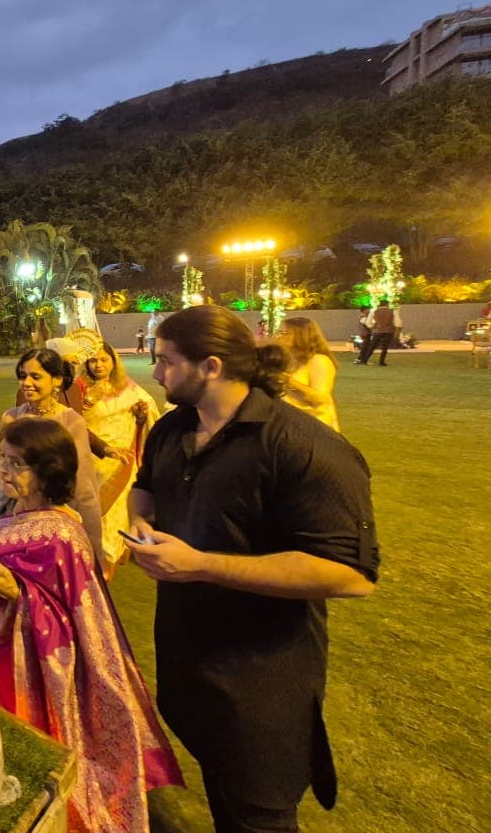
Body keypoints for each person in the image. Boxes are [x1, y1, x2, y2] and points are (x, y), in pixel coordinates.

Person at [128, 305, 379, 833]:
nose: (155, 373)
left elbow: (349, 575)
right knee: (222, 792)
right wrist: (143, 523)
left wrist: (201, 566)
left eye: (166, 361)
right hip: (190, 665)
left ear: (212, 366)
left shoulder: (304, 447)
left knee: (257, 814)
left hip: (260, 683)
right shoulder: (173, 428)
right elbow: (146, 485)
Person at [0, 417, 182, 832]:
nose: (4, 470)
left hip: (38, 668)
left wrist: (18, 593)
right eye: (3, 459)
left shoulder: (62, 535)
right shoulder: (9, 509)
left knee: (31, 741)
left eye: (17, 464)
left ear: (48, 470)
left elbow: (79, 620)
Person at [0, 349, 103, 558]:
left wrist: (93, 545)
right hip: (15, 512)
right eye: (22, 375)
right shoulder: (11, 419)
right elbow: (4, 471)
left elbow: (82, 484)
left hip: (55, 521)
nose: (26, 382)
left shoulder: (70, 422)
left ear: (56, 379)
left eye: (35, 376)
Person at [78, 341, 160, 576]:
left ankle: (107, 564)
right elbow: (72, 422)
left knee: (114, 518)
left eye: (104, 359)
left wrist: (142, 417)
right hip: (90, 463)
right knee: (91, 515)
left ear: (114, 361)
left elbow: (150, 417)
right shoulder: (79, 388)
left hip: (120, 464)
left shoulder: (128, 388)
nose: (98, 365)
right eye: (93, 360)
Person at [276, 317, 340, 431]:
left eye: (285, 333)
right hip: (290, 424)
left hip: (314, 427)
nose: (278, 336)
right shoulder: (289, 359)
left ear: (301, 336)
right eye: (278, 332)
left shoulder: (319, 360)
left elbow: (321, 399)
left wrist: (290, 382)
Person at [356, 299, 400, 366]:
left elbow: (368, 323)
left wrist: (373, 328)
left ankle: (365, 360)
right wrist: (396, 328)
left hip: (377, 331)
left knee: (372, 346)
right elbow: (397, 323)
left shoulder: (374, 311)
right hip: (389, 331)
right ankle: (381, 362)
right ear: (387, 304)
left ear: (380, 305)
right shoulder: (393, 311)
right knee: (384, 347)